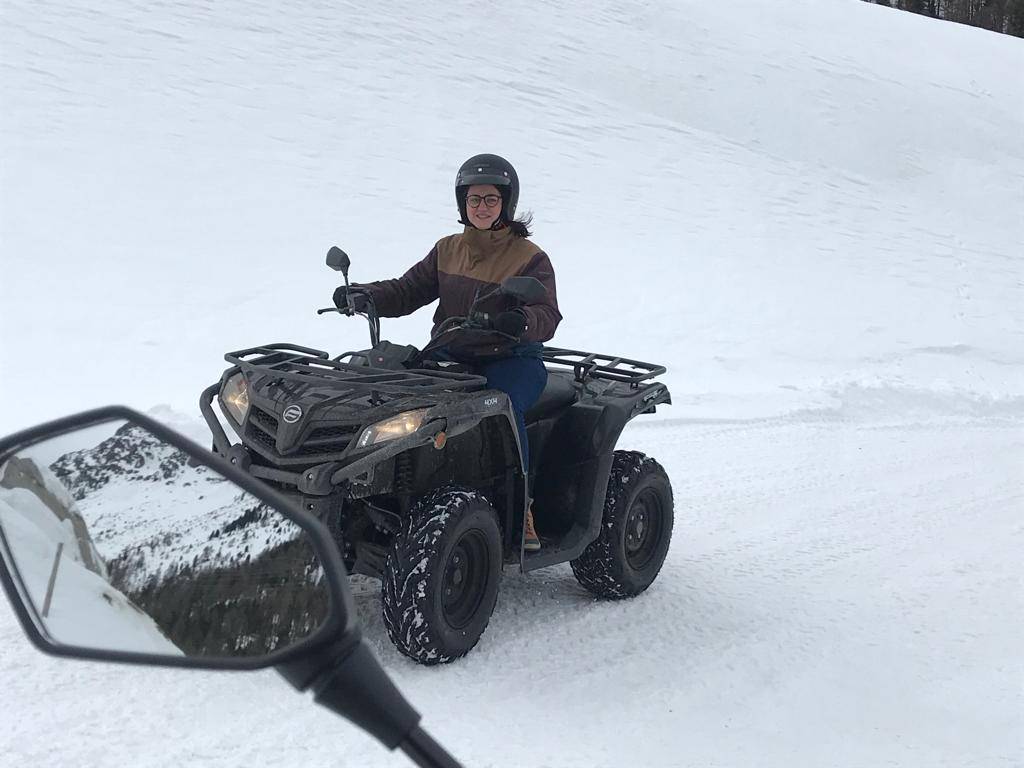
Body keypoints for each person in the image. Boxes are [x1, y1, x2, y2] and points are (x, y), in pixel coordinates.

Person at [333, 154, 561, 551]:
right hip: (451, 355)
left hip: (510, 359)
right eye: (474, 200)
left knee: (501, 408)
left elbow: (548, 313)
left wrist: (519, 321)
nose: (482, 207)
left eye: (491, 199)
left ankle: (522, 506)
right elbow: (407, 291)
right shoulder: (448, 249)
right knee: (395, 401)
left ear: (506, 202)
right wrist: (363, 295)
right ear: (462, 204)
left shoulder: (529, 257)